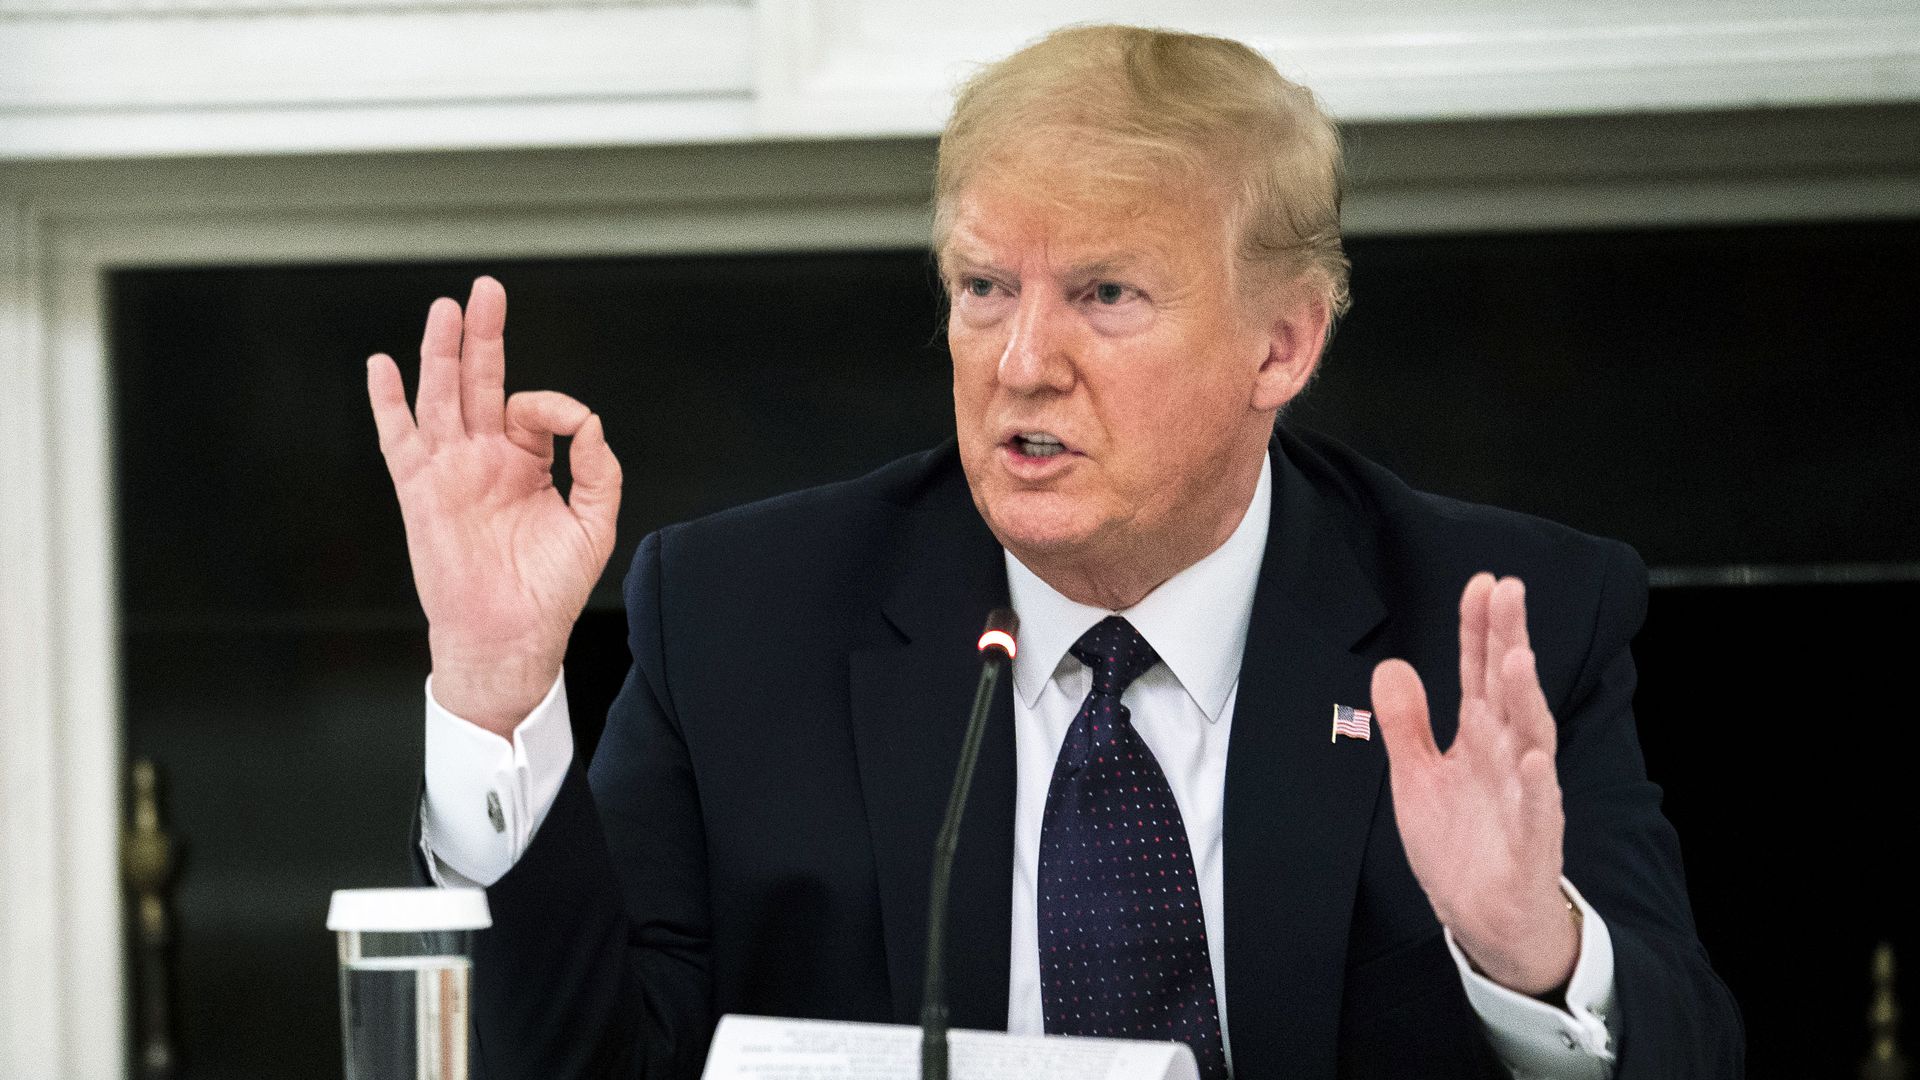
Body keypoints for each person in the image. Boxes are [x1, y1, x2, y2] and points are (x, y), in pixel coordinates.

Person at [366, 24, 1741, 1080]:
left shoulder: (1496, 625)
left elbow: (1700, 1050)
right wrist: (492, 690)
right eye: (983, 289)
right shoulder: (738, 620)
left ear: (1284, 343)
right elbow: (589, 1065)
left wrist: (1531, 949)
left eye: (1106, 294)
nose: (1023, 363)